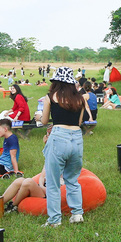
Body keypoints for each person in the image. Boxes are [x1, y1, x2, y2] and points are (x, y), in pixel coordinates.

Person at [38, 67, 90, 226]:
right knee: (72, 179)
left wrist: (39, 116)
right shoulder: (81, 98)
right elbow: (80, 122)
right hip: (77, 138)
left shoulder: (50, 97)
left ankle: (54, 220)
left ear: (56, 82)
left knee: (53, 182)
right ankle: (77, 214)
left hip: (59, 137)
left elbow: (45, 121)